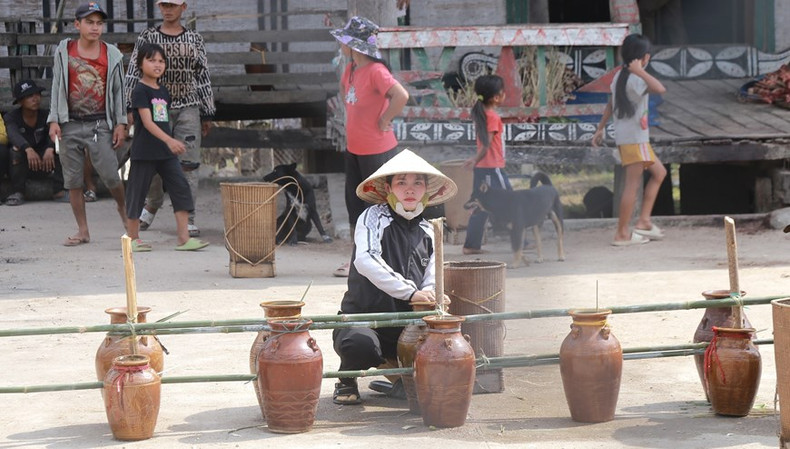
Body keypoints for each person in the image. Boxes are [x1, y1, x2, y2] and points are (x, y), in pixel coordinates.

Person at [331, 149, 457, 405]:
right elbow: (366, 261)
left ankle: (399, 380)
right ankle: (346, 377)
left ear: (425, 190)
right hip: (365, 319)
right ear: (388, 187)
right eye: (402, 182)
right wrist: (412, 293)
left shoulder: (430, 230)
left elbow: (432, 276)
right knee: (360, 345)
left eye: (417, 183)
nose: (409, 190)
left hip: (405, 328)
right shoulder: (372, 217)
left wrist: (432, 294)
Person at [124, 0, 215, 238]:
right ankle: (152, 204)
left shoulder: (194, 39)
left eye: (173, 5)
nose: (168, 9)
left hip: (188, 106)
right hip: (153, 107)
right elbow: (133, 71)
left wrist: (207, 110)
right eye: (164, 4)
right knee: (153, 163)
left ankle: (189, 220)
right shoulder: (147, 36)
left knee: (188, 164)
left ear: (183, 7)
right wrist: (128, 106)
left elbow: (202, 74)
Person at [329, 15, 409, 277]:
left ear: (355, 46)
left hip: (378, 150)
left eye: (344, 40)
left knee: (380, 207)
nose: (341, 44)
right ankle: (356, 260)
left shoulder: (376, 71)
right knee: (355, 205)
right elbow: (344, 93)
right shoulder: (350, 69)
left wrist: (384, 119)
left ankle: (387, 259)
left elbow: (401, 96)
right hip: (354, 149)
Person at [47, 2, 128, 246]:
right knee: (73, 181)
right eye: (89, 22)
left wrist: (120, 123)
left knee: (111, 176)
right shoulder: (65, 51)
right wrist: (54, 119)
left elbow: (118, 92)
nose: (95, 27)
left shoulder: (111, 54)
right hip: (69, 122)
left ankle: (126, 216)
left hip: (100, 124)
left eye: (99, 23)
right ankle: (83, 230)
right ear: (77, 24)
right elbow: (56, 87)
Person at [592, 33, 667, 246]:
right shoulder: (635, 78)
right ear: (643, 57)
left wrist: (600, 128)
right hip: (635, 140)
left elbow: (610, 105)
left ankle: (643, 221)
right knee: (632, 186)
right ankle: (622, 233)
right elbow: (660, 88)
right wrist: (640, 71)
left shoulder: (619, 76)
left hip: (635, 139)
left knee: (660, 173)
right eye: (647, 56)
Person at [462, 74, 513, 255]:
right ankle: (520, 239)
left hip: (484, 168)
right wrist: (476, 159)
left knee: (480, 204)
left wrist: (475, 160)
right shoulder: (492, 117)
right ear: (496, 97)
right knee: (511, 200)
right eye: (502, 92)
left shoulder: (482, 113)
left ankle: (471, 245)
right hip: (492, 167)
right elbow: (487, 144)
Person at [3, 80, 67, 206]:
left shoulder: (46, 115)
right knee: (15, 150)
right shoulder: (12, 116)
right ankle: (18, 192)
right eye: (29, 96)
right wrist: (27, 149)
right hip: (25, 163)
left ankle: (59, 190)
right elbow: (13, 134)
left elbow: (54, 132)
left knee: (62, 148)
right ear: (20, 101)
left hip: (45, 161)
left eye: (37, 94)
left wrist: (50, 148)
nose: (35, 99)